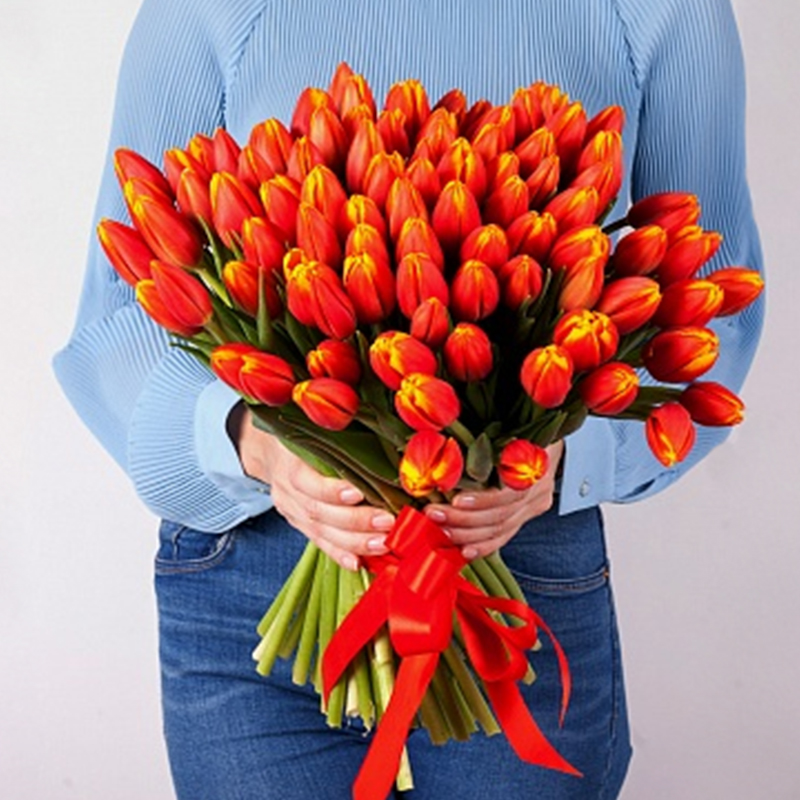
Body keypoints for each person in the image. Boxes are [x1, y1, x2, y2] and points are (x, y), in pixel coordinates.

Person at [54, 0, 764, 797]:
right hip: (251, 567)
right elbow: (124, 309)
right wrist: (256, 441)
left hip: (515, 562)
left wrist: (564, 455)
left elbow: (705, 295)